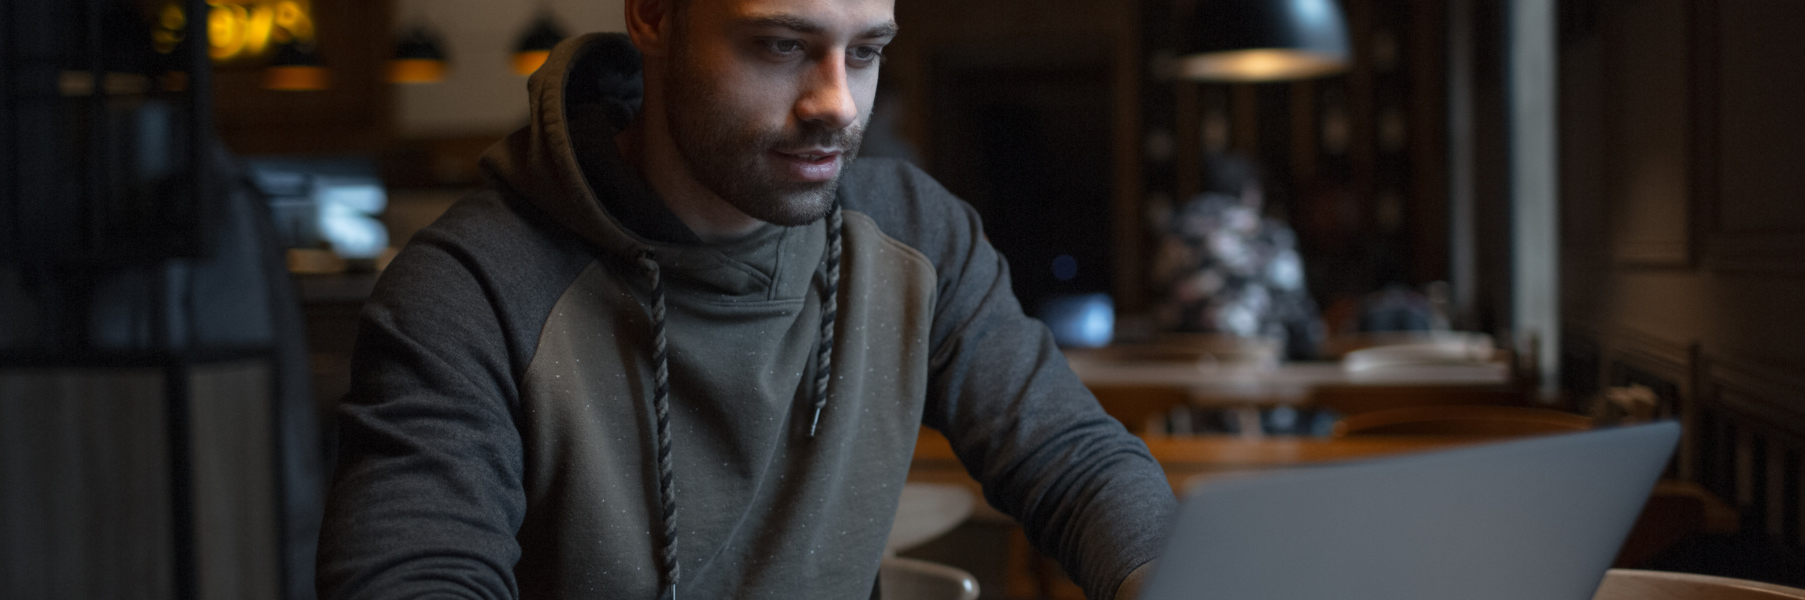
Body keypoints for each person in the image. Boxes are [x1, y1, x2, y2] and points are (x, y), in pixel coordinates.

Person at [316, 0, 1175, 598]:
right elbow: (413, 578)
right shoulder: (471, 287)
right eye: (781, 46)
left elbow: (1073, 462)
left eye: (865, 53)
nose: (836, 104)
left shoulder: (916, 236)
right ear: (653, 16)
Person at [1151, 153, 1322, 360]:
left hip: (1181, 361)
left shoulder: (1175, 232)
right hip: (1257, 362)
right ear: (1250, 192)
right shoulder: (1269, 234)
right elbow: (1298, 311)